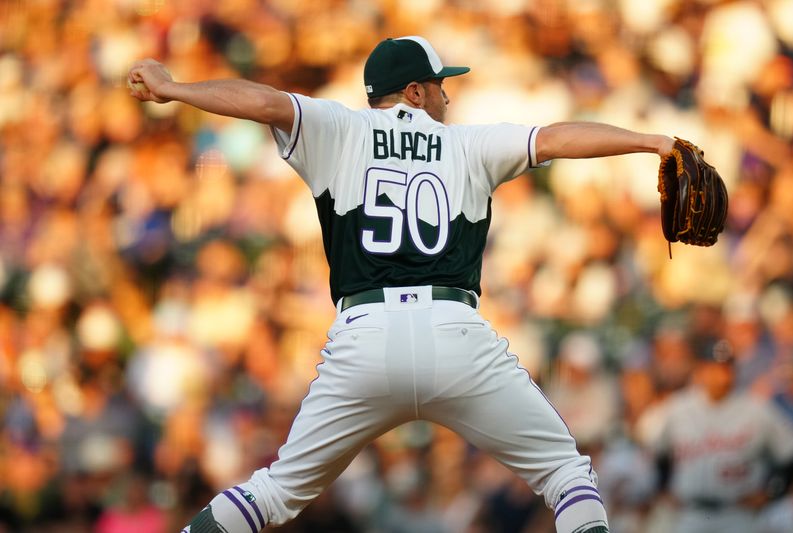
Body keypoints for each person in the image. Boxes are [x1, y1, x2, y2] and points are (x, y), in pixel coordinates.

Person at [128, 36, 677, 533]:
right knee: (564, 474)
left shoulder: (338, 128)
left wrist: (174, 88)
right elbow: (556, 138)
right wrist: (653, 141)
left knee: (276, 491)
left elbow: (266, 102)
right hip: (454, 333)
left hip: (364, 338)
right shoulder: (468, 145)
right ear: (414, 91)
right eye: (441, 86)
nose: (447, 98)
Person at [644, 340, 793, 533]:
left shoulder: (756, 410)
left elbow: (791, 454)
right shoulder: (678, 409)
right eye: (714, 369)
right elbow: (660, 453)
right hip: (691, 513)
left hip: (739, 514)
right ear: (700, 371)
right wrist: (662, 488)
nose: (721, 377)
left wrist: (772, 492)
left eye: (726, 369)